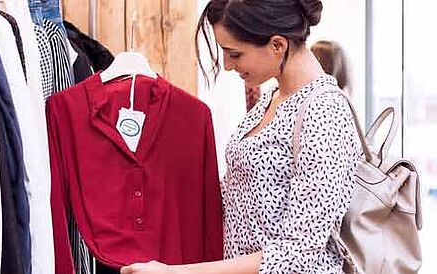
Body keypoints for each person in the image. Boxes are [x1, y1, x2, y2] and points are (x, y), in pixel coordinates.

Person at [121, 0, 360, 273]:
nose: (227, 65)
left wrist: (177, 272)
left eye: (234, 54)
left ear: (277, 45)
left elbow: (298, 252)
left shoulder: (324, 113)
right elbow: (242, 197)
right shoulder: (273, 98)